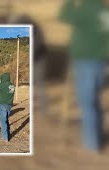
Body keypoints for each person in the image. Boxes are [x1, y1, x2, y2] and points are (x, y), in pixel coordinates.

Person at [60, 0, 109, 152]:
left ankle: (91, 145)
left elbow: (65, 16)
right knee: (94, 101)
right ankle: (97, 137)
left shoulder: (87, 9)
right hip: (100, 62)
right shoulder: (104, 11)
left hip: (85, 60)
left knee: (87, 103)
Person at [0, 73, 15, 141]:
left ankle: (4, 138)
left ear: (3, 78)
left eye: (1, 78)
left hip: (3, 105)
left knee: (3, 121)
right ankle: (8, 135)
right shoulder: (12, 85)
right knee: (6, 120)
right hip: (9, 105)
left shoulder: (4, 84)